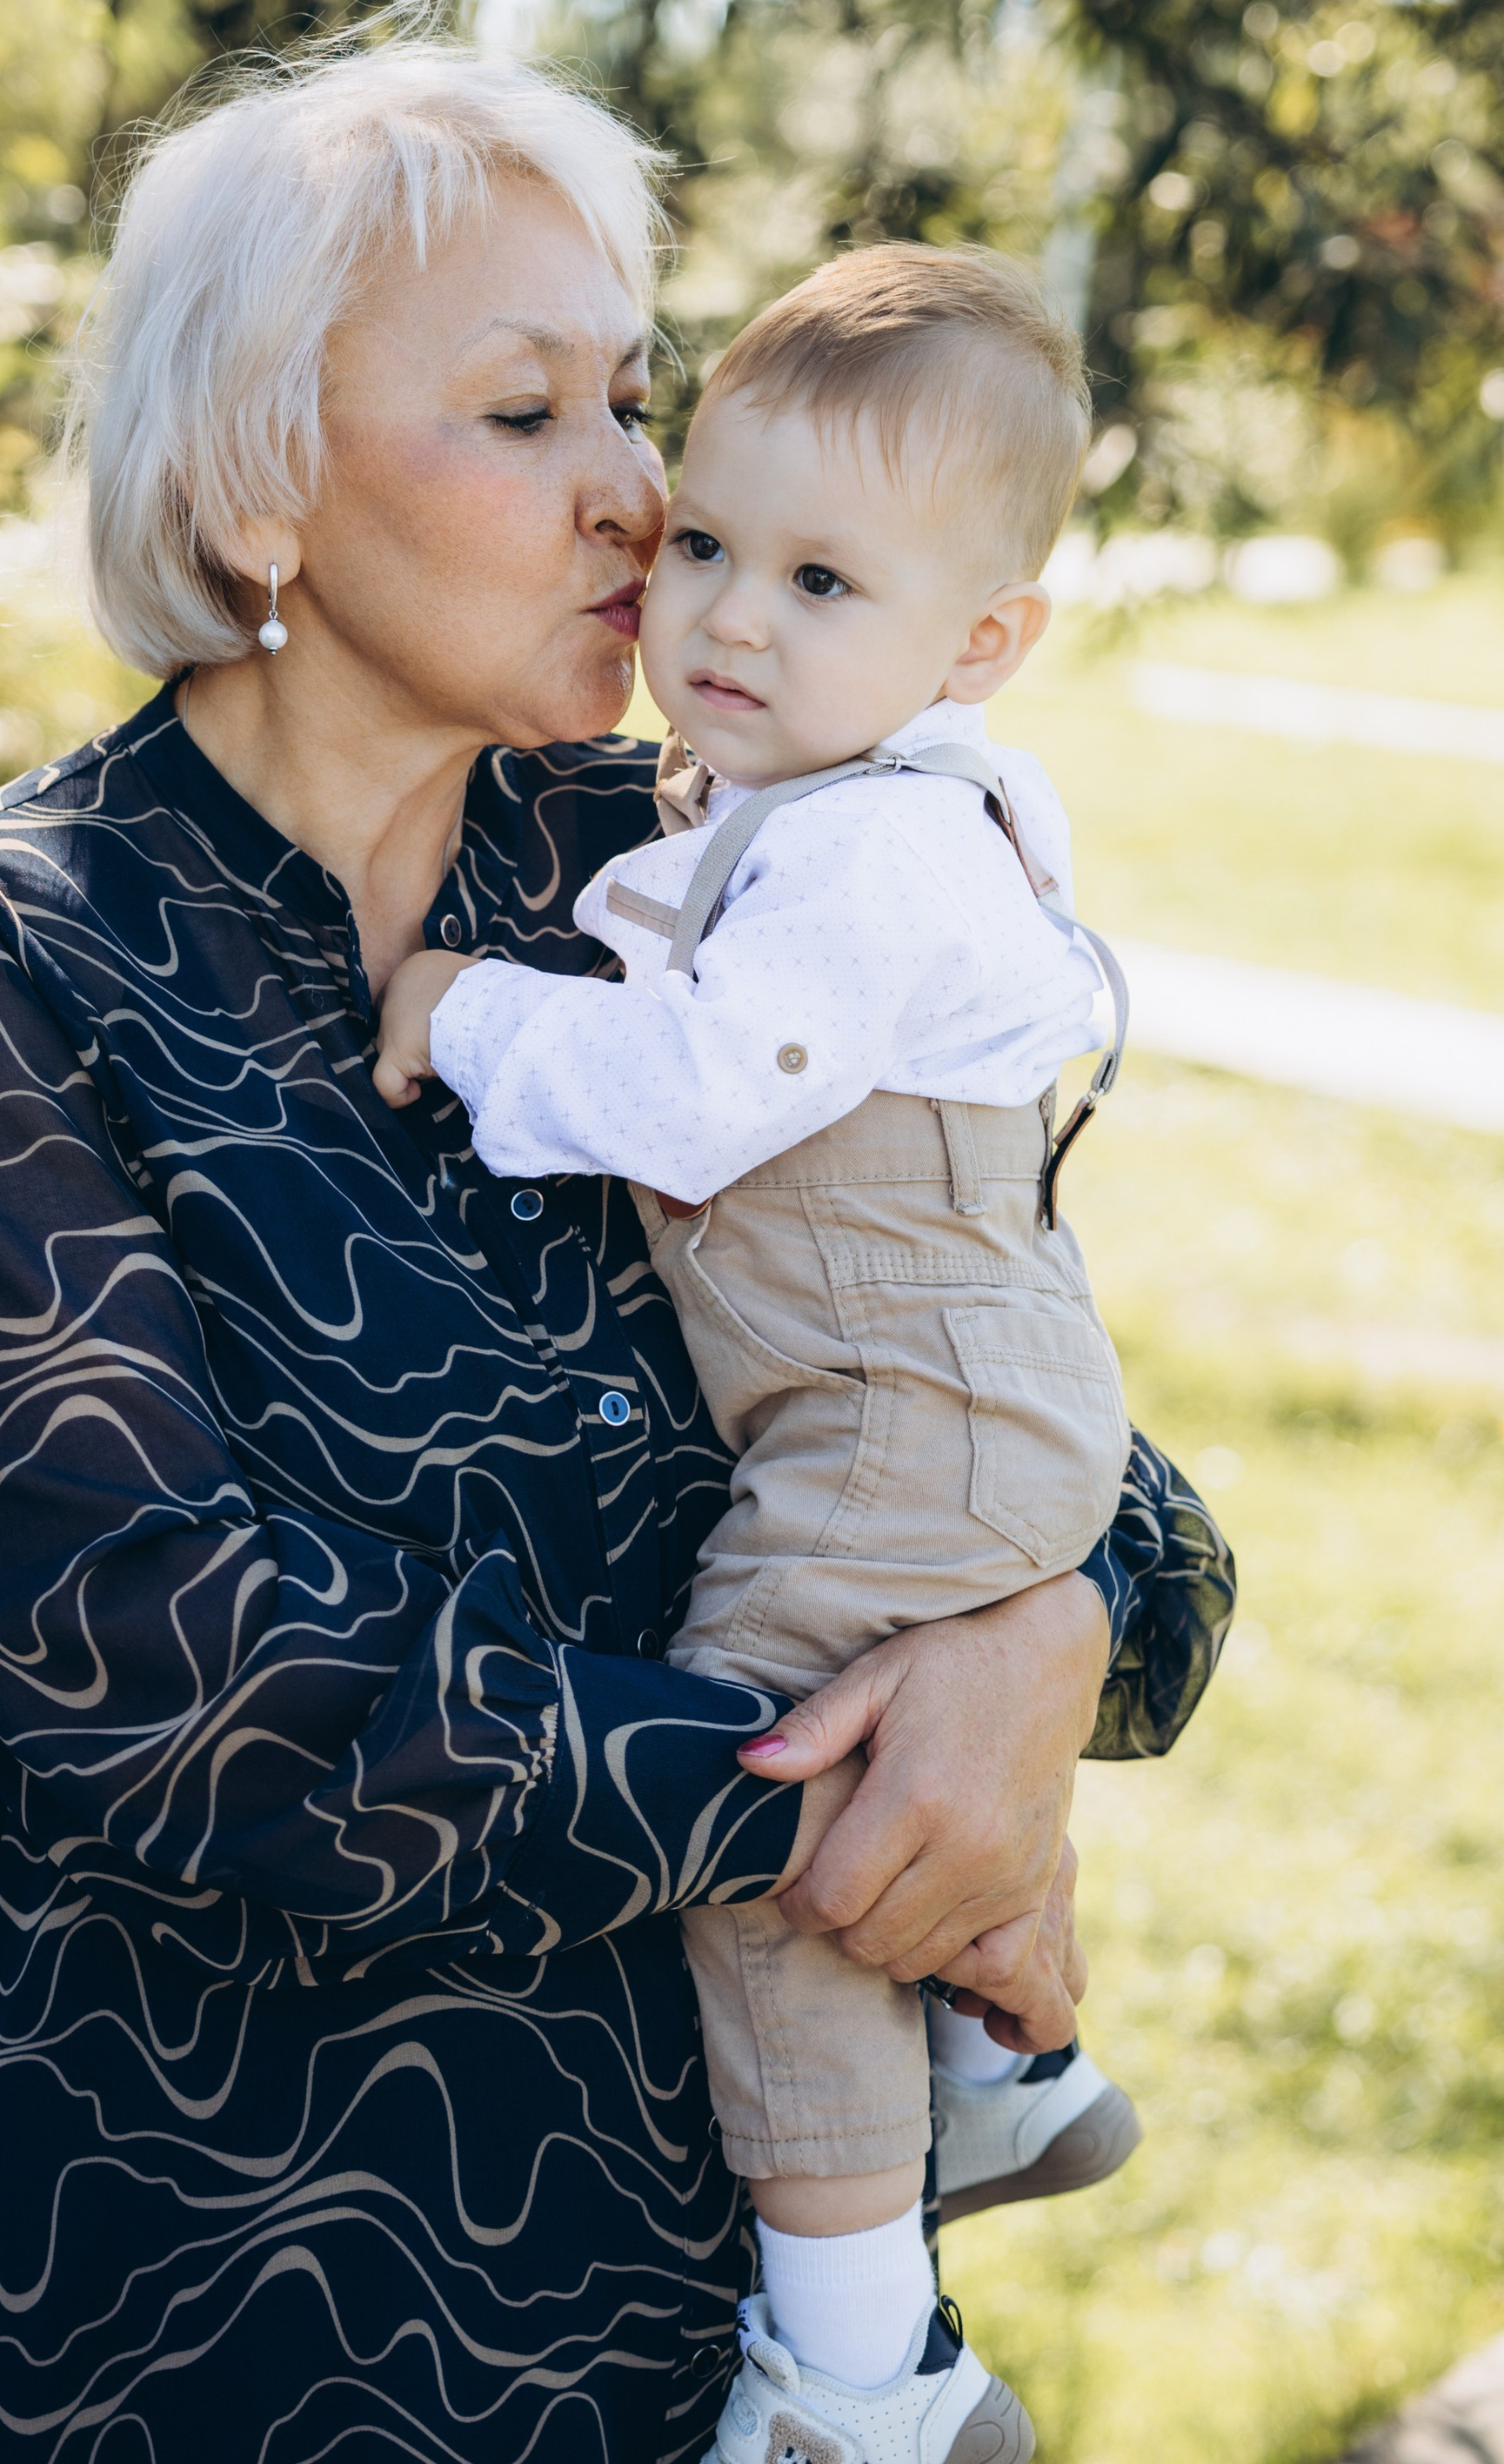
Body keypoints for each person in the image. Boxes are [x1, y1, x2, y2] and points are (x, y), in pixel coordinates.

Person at [0, 33, 1233, 2464]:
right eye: (524, 415)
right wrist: (872, 1795)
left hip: (706, 2328)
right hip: (208, 2319)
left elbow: (1095, 1474)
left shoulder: (688, 875)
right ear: (260, 479)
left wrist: (1049, 1638)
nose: (642, 494)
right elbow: (183, 1696)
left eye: (636, 402)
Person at [375, 246, 1162, 2461]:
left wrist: (479, 1012)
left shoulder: (871, 854)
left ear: (975, 647)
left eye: (819, 579)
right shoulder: (816, 805)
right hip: (944, 1387)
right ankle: (1012, 2073)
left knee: (770, 1787)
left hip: (907, 1396)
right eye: (708, 541)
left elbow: (714, 1091)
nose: (718, 615)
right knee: (864, 1697)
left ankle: (853, 2368)